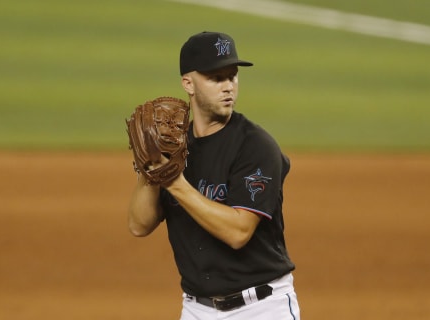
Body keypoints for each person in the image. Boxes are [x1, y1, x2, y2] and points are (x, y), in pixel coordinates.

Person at [127, 31, 301, 320]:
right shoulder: (175, 146)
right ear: (188, 83)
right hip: (196, 309)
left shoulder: (256, 146)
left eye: (232, 76)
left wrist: (173, 181)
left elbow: (237, 232)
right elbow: (138, 225)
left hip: (261, 308)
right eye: (216, 78)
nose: (228, 86)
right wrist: (151, 170)